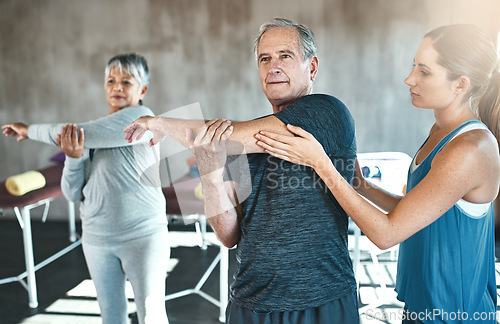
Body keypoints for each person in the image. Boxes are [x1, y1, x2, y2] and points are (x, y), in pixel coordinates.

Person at [255, 24, 500, 323]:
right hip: (424, 308)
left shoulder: (471, 148)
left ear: (460, 84)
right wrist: (360, 185)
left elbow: (387, 234)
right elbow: (412, 212)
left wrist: (322, 165)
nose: (409, 78)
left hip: (458, 314)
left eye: (424, 71)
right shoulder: (440, 132)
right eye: (414, 66)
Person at [124, 18, 360, 324]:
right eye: (265, 59)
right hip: (251, 303)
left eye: (285, 56)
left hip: (321, 300)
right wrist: (209, 171)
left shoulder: (327, 112)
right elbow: (228, 234)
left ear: (311, 67)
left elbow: (221, 136)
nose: (273, 66)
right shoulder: (244, 143)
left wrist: (157, 123)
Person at [2, 53, 170, 324]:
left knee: (151, 316)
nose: (116, 87)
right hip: (97, 239)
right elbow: (72, 193)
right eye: (111, 80)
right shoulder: (94, 133)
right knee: (111, 316)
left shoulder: (143, 118)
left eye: (126, 82)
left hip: (143, 235)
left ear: (143, 90)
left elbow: (73, 132)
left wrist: (28, 129)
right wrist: (73, 155)